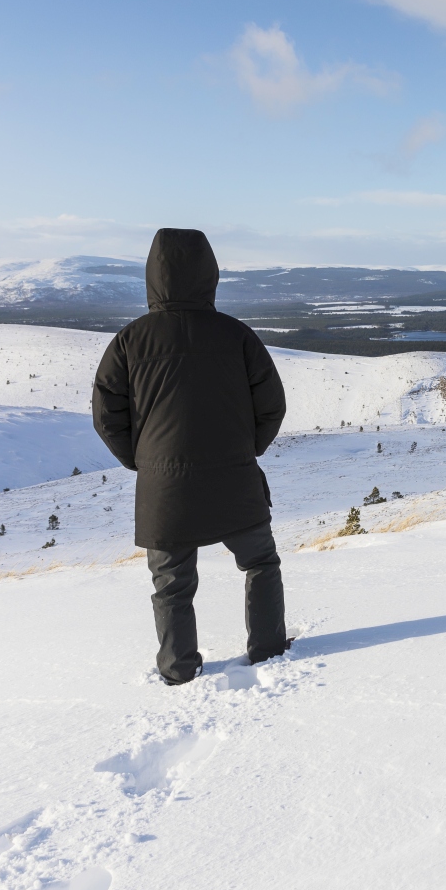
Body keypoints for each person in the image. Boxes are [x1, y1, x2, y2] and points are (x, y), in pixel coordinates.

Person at [92, 228, 288, 684]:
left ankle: (178, 669)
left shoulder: (130, 340)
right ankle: (268, 651)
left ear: (152, 277)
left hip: (164, 488)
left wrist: (144, 461)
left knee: (171, 585)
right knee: (260, 564)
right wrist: (247, 450)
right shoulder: (237, 335)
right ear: (209, 274)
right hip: (234, 476)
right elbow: (272, 406)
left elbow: (107, 416)